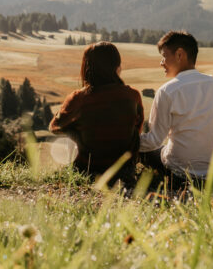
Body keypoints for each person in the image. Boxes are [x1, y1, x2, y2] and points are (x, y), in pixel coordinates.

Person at [139, 31, 213, 182]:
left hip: (179, 172)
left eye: (164, 56)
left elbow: (154, 141)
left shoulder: (167, 91)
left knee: (144, 151)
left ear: (179, 54)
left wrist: (127, 142)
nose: (161, 62)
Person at [48, 42, 143, 181]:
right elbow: (138, 129)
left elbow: (54, 127)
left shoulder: (78, 97)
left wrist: (77, 131)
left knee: (71, 128)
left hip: (88, 169)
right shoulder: (133, 95)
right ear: (117, 66)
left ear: (86, 67)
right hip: (125, 170)